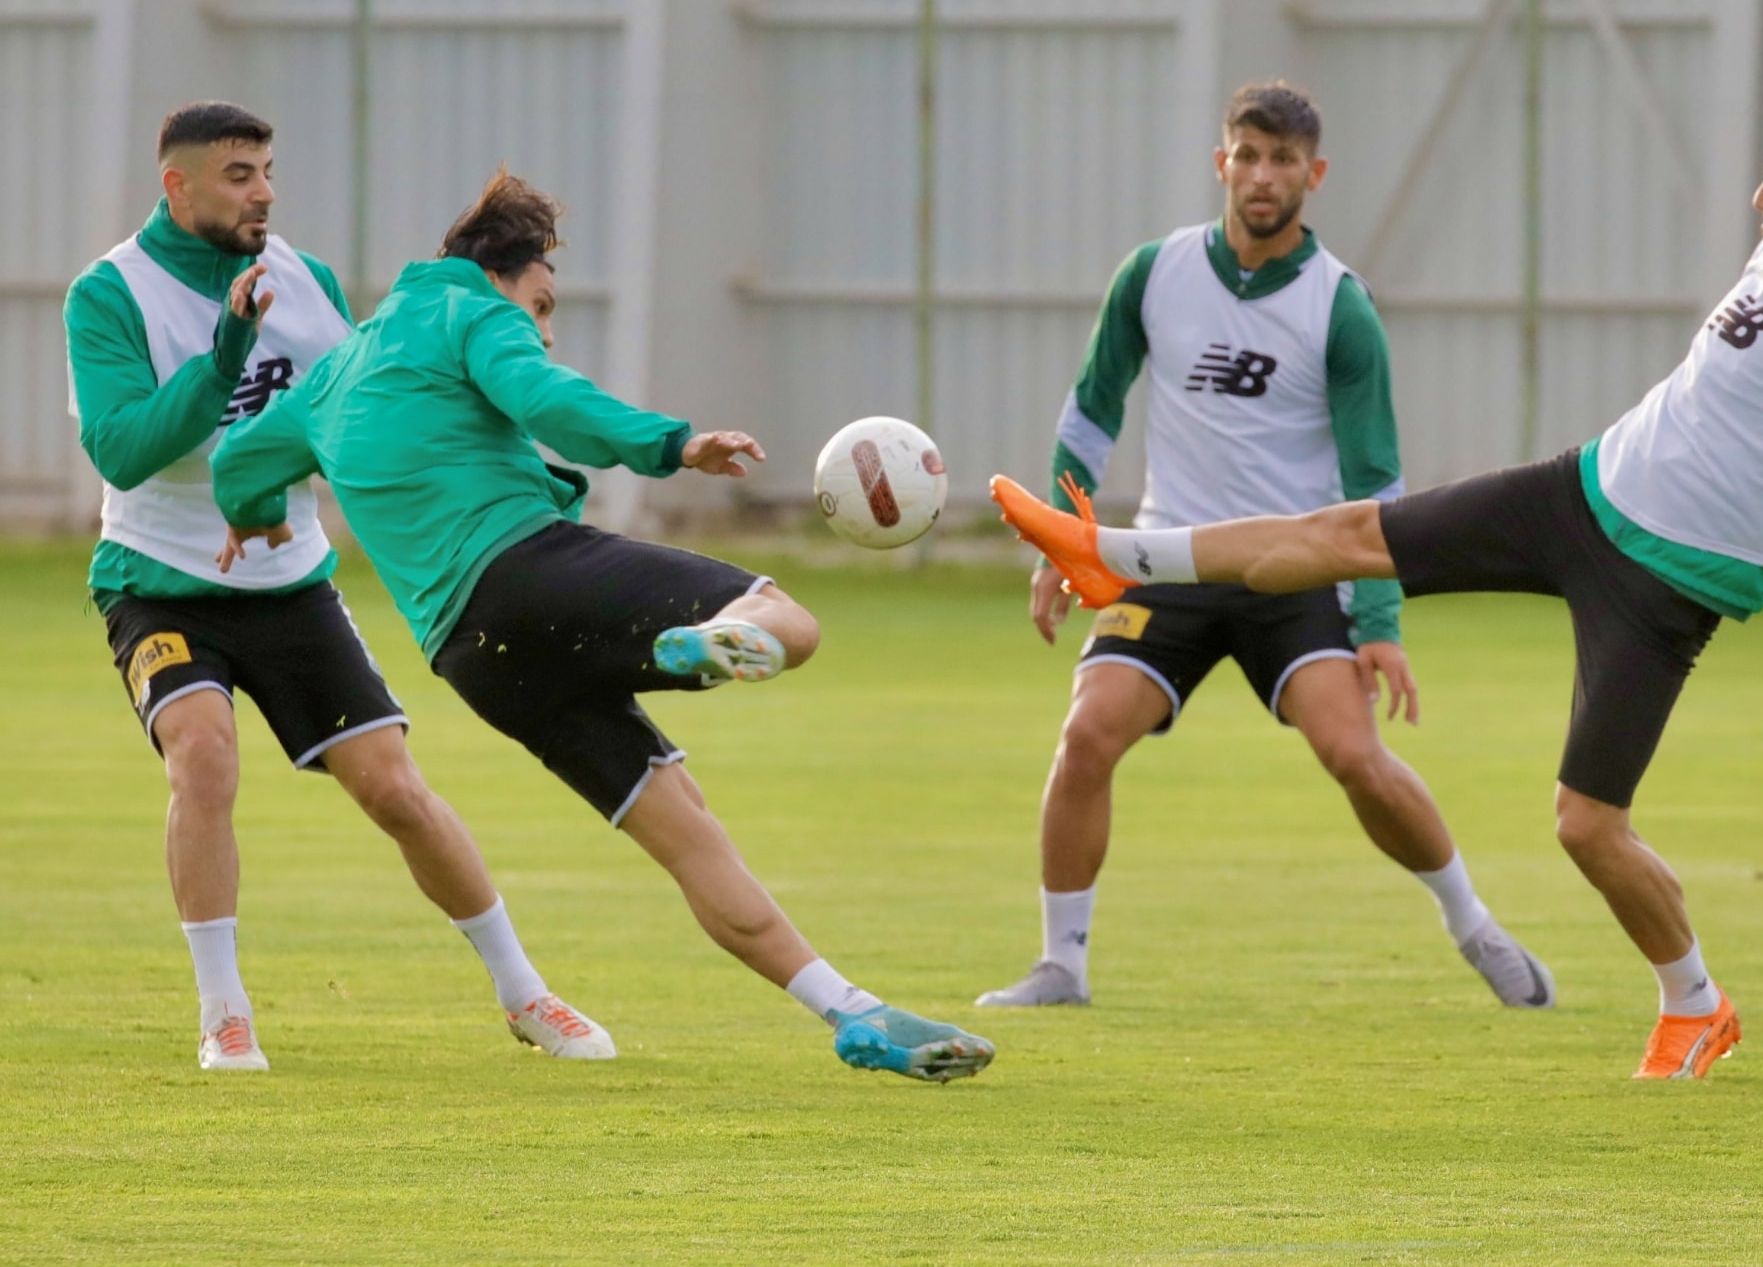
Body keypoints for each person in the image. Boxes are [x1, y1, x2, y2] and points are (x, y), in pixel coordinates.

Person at [993, 97, 1763, 1078]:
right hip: (1576, 492)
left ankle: (1692, 1002)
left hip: (1658, 583)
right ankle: (1113, 553)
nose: (1752, 195)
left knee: (1583, 825)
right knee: (1342, 534)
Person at [208, 170, 995, 1083]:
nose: (542, 327)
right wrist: (675, 443)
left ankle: (853, 1013)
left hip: (474, 658)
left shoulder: (335, 373)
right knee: (794, 619)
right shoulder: (471, 313)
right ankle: (717, 641)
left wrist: (258, 512)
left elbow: (238, 462)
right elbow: (548, 400)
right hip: (525, 571)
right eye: (540, 304)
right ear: (497, 273)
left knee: (685, 827)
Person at [976, 82, 1552, 1012]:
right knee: (1085, 734)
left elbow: (1376, 483)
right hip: (1166, 562)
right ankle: (1061, 967)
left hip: (1295, 569)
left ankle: (1475, 926)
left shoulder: (1339, 308)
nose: (1262, 175)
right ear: (1222, 163)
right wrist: (1063, 537)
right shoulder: (1154, 274)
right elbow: (1090, 411)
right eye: (1247, 154)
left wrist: (1379, 620)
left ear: (1314, 176)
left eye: (1284, 160)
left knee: (1357, 758)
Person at [65, 103, 605, 1072]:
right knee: (202, 754)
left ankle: (524, 990)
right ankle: (223, 1012)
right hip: (159, 584)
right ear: (176, 184)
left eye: (267, 168)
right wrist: (226, 355)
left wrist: (518, 475)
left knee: (395, 788)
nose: (263, 190)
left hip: (288, 582)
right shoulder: (110, 293)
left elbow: (369, 412)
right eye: (238, 173)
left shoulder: (303, 281)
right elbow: (124, 449)